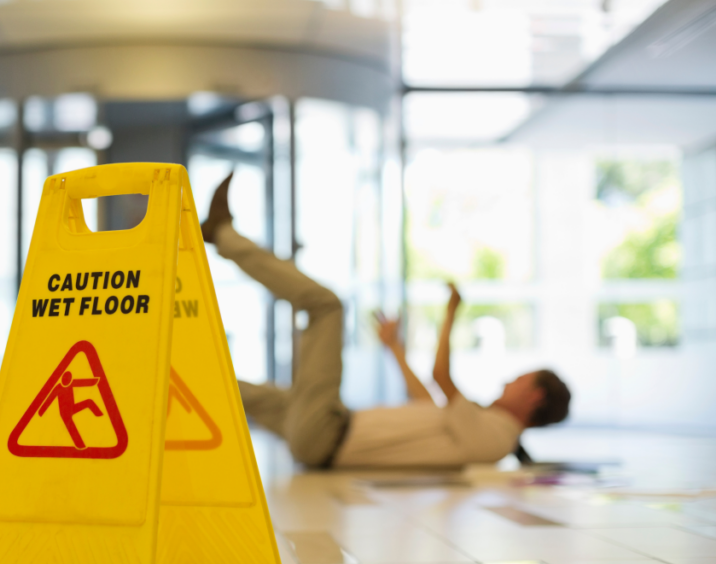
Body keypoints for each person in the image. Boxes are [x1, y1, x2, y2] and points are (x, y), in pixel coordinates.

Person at [201, 172, 571, 468]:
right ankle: (170, 376)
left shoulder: (497, 438)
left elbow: (441, 378)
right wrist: (394, 347)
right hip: (325, 431)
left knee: (327, 307)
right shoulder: (485, 427)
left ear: (534, 397)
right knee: (239, 392)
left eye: (519, 380)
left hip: (326, 436)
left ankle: (222, 234)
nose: (508, 381)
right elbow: (427, 400)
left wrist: (451, 313)